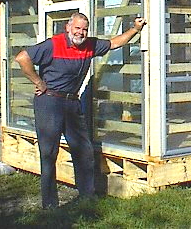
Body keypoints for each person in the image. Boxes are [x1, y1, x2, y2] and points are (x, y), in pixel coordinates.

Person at [15, 12, 146, 208]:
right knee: (49, 153)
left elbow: (115, 43)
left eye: (84, 29)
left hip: (72, 103)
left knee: (83, 150)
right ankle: (50, 204)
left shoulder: (90, 45)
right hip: (49, 102)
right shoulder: (53, 44)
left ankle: (87, 197)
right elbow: (22, 57)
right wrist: (38, 82)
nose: (81, 33)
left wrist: (135, 29)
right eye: (77, 28)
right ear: (68, 28)